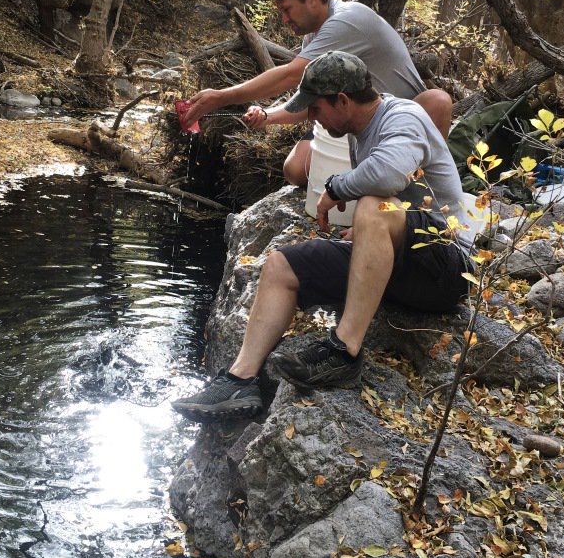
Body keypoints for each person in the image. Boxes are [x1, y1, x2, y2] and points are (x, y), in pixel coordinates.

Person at [172, 51, 474, 422]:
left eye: (315, 108)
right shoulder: (356, 130)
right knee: (282, 265)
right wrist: (366, 234)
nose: (311, 118)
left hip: (447, 266)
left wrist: (336, 188)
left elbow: (389, 177)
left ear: (342, 100)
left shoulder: (403, 116)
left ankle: (343, 352)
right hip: (401, 262)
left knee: (373, 206)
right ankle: (241, 379)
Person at [182, 0, 452, 187]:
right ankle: (360, 180)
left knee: (437, 100)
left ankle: (417, 188)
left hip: (400, 121)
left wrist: (220, 97)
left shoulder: (347, 19)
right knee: (296, 170)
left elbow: (291, 75)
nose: (284, 20)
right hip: (358, 122)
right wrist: (268, 117)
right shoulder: (314, 34)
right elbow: (310, 95)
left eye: (287, 10)